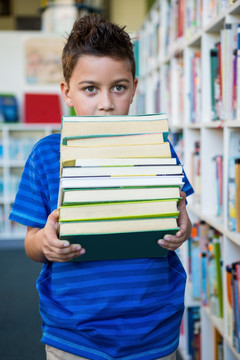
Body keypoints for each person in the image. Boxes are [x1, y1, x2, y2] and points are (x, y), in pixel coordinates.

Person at [9, 14, 193, 360]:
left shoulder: (156, 146)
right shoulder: (46, 155)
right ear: (67, 92)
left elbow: (181, 219)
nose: (106, 103)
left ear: (134, 88)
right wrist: (46, 243)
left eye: (118, 87)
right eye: (90, 88)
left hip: (153, 328)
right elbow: (32, 244)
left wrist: (183, 227)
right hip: (75, 334)